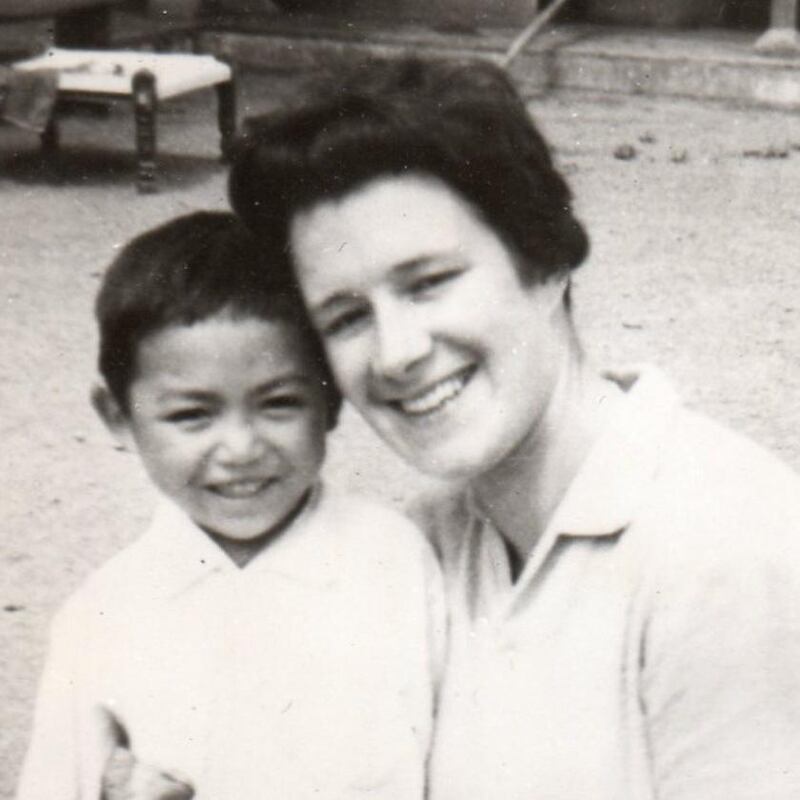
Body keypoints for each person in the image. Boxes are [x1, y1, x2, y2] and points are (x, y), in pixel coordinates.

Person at [224, 57, 800, 799]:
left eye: (429, 283)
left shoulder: (728, 545)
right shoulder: (419, 550)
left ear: (546, 259)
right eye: (346, 317)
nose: (398, 352)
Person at [16, 211, 445, 800]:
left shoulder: (395, 561)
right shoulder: (103, 616)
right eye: (192, 415)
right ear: (117, 415)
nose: (242, 449)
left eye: (279, 404)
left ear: (332, 403)